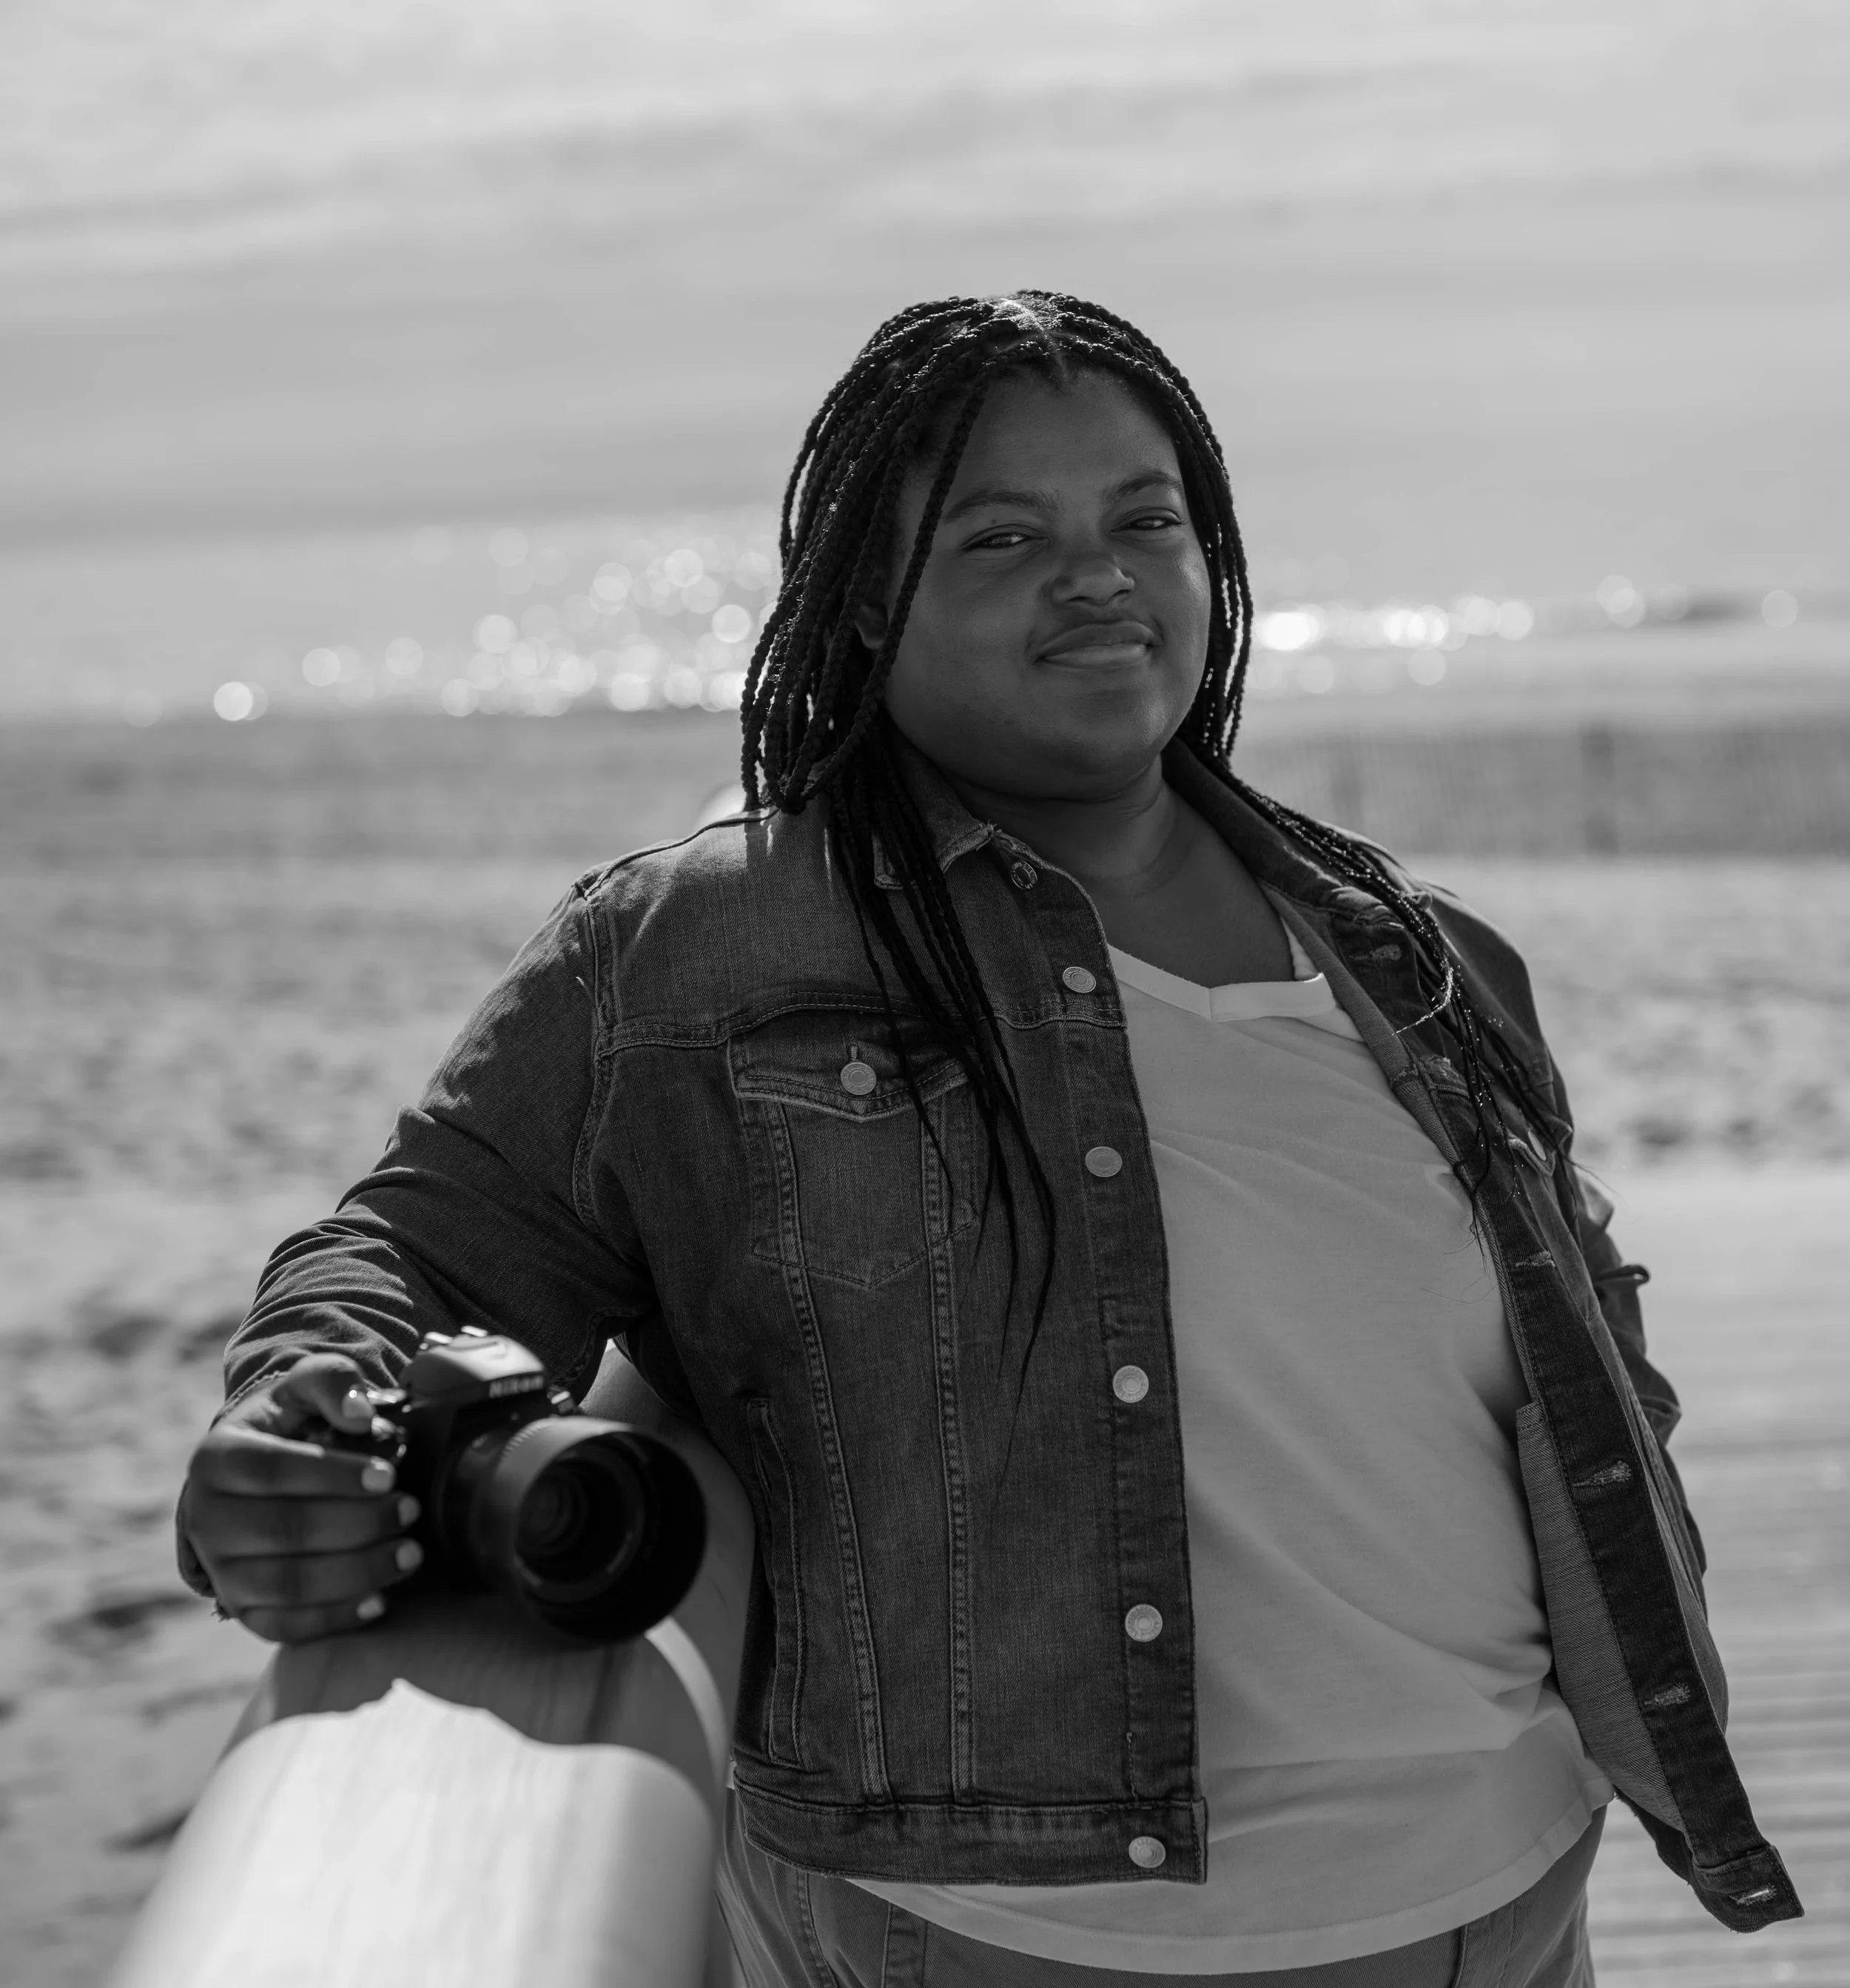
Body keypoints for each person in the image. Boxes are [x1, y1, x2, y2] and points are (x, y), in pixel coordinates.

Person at [175, 293, 1798, 1985]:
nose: (1096, 573)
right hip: (1011, 1934)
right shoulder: (698, 948)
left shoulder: (1422, 951)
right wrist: (300, 1420)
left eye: (1144, 519)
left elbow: (1573, 1363)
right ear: (868, 604)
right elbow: (412, 1242)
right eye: (1001, 533)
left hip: (1501, 1894)